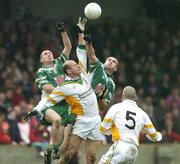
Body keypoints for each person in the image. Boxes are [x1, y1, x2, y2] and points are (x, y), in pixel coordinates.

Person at [26, 60, 102, 164]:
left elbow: (82, 50)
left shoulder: (83, 76)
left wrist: (87, 44)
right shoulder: (64, 87)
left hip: (96, 119)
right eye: (75, 65)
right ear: (69, 71)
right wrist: (36, 110)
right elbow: (48, 100)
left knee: (92, 156)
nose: (78, 66)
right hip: (82, 121)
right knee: (67, 155)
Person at [29, 22, 72, 163]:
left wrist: (63, 32)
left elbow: (68, 47)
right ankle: (51, 150)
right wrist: (64, 90)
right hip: (49, 104)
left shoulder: (60, 64)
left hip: (64, 105)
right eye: (44, 54)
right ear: (41, 60)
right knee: (57, 120)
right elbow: (47, 88)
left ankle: (49, 151)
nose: (48, 53)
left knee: (57, 146)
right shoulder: (41, 71)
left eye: (49, 53)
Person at [98, 86, 162, 164]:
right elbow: (155, 136)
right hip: (133, 150)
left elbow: (103, 128)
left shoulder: (116, 108)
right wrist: (160, 135)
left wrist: (113, 131)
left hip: (120, 146)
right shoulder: (142, 114)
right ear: (135, 98)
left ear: (122, 96)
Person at [76, 28, 119, 111]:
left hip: (91, 111)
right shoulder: (98, 66)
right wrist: (89, 43)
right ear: (105, 62)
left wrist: (101, 97)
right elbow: (92, 55)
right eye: (109, 60)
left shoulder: (111, 84)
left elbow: (104, 107)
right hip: (80, 99)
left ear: (116, 68)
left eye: (114, 62)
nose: (111, 62)